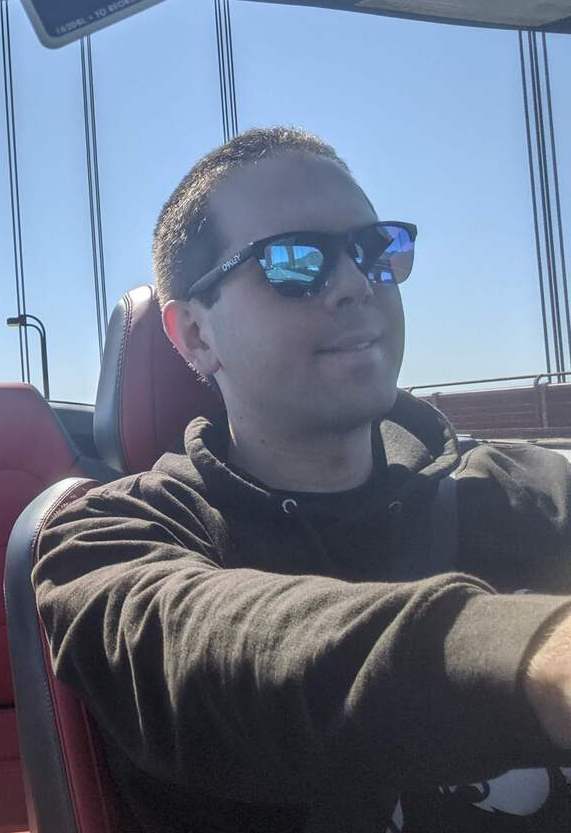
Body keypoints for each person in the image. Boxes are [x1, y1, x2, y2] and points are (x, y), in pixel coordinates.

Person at [34, 126, 571, 832]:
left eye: (372, 251)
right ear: (194, 334)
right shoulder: (107, 541)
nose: (352, 283)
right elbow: (217, 652)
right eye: (294, 261)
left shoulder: (529, 488)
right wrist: (534, 656)